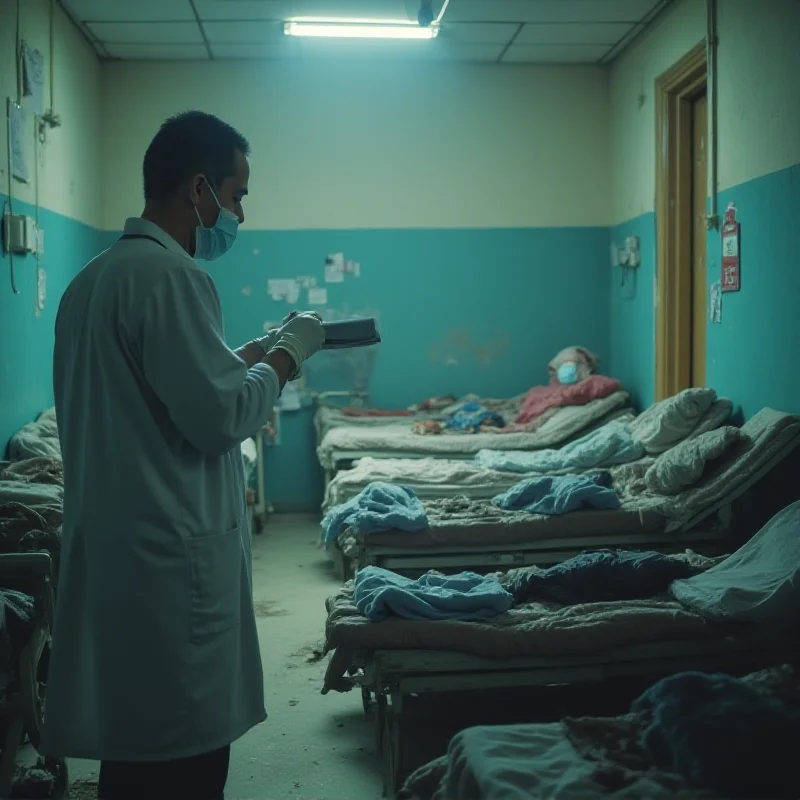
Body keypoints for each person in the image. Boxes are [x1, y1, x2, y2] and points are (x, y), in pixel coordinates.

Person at [40, 111, 325, 799]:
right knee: (183, 759)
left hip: (123, 558)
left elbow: (174, 385)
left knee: (134, 757)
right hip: (170, 566)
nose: (239, 215)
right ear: (199, 189)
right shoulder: (174, 279)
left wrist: (253, 352)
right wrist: (291, 353)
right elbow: (223, 415)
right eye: (237, 195)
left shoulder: (94, 283)